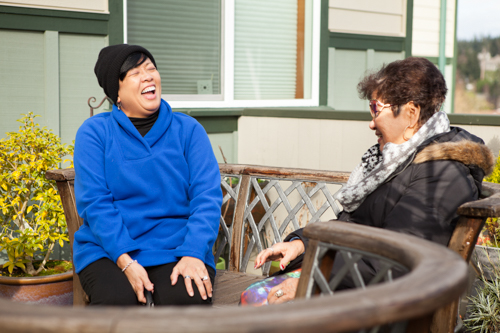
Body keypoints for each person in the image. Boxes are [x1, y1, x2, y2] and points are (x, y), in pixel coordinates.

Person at [252, 57, 494, 305]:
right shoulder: (399, 161)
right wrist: (302, 244)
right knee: (253, 300)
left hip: (388, 311)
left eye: (376, 109)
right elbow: (357, 226)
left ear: (411, 114)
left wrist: (313, 280)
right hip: (357, 288)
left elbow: (399, 263)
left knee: (256, 310)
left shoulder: (442, 176)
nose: (371, 123)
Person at [73, 44, 222, 306]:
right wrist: (125, 260)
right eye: (134, 73)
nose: (148, 76)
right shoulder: (94, 133)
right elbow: (95, 203)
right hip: (110, 251)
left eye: (151, 68)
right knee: (115, 305)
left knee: (187, 304)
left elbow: (206, 197)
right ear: (116, 92)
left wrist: (194, 253)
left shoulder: (188, 130)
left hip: (177, 249)